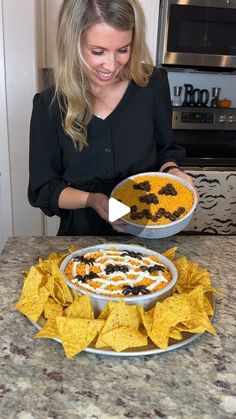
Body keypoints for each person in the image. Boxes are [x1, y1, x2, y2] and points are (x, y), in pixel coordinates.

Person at [28, 0, 196, 236]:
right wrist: (92, 200)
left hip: (149, 235)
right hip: (81, 240)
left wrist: (174, 172)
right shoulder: (50, 105)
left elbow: (165, 150)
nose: (111, 65)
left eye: (123, 50)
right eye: (98, 51)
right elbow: (43, 189)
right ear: (72, 44)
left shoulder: (152, 84)